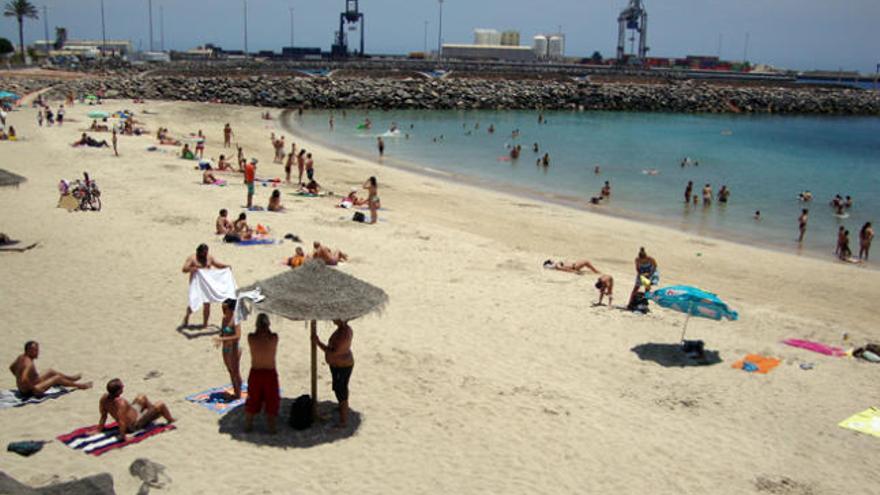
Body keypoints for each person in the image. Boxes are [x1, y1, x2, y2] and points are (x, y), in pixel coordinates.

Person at [96, 379, 175, 441]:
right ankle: (170, 419)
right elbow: (121, 421)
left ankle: (151, 414)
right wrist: (124, 436)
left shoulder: (104, 398)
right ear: (118, 391)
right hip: (134, 424)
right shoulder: (121, 403)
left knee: (142, 396)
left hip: (133, 412)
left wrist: (99, 429)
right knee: (161, 404)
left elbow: (103, 416)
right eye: (122, 386)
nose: (123, 386)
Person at [9, 341, 92, 397]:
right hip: (30, 391)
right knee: (57, 378)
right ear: (28, 351)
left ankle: (71, 378)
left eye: (37, 350)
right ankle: (80, 386)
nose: (37, 352)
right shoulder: (29, 363)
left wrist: (19, 380)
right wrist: (33, 388)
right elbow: (24, 379)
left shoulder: (21, 357)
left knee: (50, 371)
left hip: (30, 384)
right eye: (35, 351)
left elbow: (11, 368)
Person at [313, 319, 354, 427]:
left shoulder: (344, 334)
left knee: (341, 390)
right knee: (339, 388)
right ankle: (342, 407)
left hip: (342, 366)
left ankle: (343, 421)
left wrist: (318, 343)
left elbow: (334, 352)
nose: (332, 318)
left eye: (335, 318)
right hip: (340, 365)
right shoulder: (344, 330)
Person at [245, 314, 279, 433]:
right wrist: (266, 329)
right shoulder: (273, 338)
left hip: (256, 372)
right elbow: (269, 336)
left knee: (253, 399)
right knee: (271, 400)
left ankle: (248, 425)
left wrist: (260, 329)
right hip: (269, 372)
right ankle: (271, 428)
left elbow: (256, 335)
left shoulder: (251, 338)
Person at [182, 244, 230, 328]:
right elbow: (184, 269)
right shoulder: (192, 258)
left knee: (207, 304)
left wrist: (225, 266)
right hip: (196, 284)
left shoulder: (209, 257)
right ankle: (187, 316)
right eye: (203, 253)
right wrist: (192, 269)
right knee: (194, 303)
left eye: (206, 252)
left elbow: (217, 264)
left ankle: (205, 324)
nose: (205, 255)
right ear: (199, 252)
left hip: (207, 284)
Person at [213, 299, 243, 400]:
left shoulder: (235, 320)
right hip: (226, 348)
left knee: (235, 371)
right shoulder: (224, 318)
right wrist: (220, 338)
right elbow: (222, 332)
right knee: (230, 370)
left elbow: (238, 336)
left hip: (234, 349)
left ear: (231, 309)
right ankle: (237, 389)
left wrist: (222, 338)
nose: (223, 310)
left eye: (225, 308)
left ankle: (237, 394)